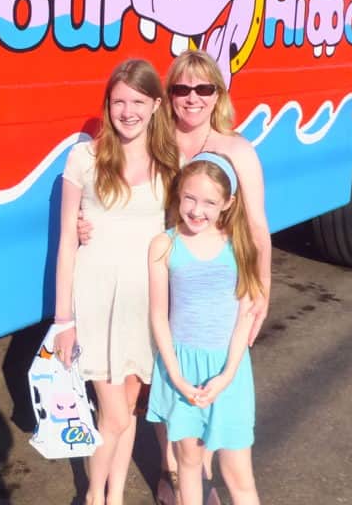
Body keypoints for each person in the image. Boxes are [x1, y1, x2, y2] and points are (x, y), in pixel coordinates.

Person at [80, 49, 271, 504]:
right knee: (165, 383)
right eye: (182, 88)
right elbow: (120, 190)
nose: (192, 98)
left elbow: (258, 228)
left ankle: (198, 483)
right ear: (169, 96)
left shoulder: (236, 150)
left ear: (217, 95)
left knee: (206, 391)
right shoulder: (159, 144)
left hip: (210, 287)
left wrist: (262, 290)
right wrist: (84, 222)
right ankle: (173, 476)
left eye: (204, 88)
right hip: (161, 276)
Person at [53, 58, 178, 505]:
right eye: (119, 101)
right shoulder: (84, 158)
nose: (128, 111)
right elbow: (68, 241)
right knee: (116, 417)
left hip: (144, 304)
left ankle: (114, 497)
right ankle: (92, 497)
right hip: (97, 302)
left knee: (124, 412)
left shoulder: (168, 161)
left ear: (156, 105)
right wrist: (62, 320)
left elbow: (184, 227)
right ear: (107, 105)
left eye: (138, 101)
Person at [146, 152, 263, 505]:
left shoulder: (239, 245)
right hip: (180, 369)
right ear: (178, 194)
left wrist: (227, 375)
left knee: (238, 473)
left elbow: (245, 314)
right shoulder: (164, 245)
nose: (198, 210)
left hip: (230, 371)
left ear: (227, 203)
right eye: (190, 198)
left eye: (210, 202)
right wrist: (177, 377)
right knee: (189, 463)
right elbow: (158, 317)